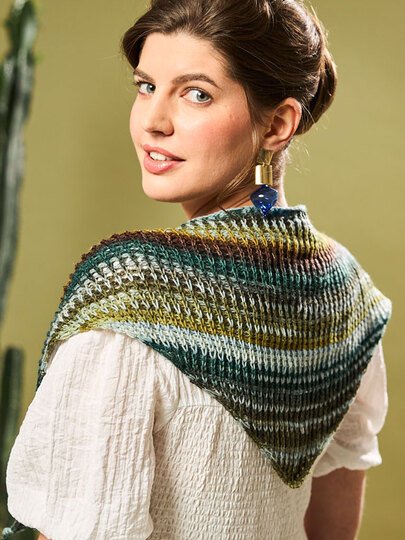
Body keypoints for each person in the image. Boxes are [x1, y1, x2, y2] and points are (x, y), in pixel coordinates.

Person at [3, 1, 392, 539]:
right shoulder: (346, 292)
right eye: (146, 86)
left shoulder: (131, 300)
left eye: (196, 94)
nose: (153, 122)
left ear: (278, 123)